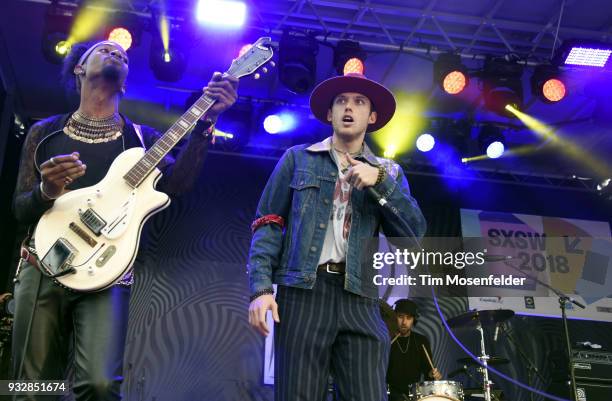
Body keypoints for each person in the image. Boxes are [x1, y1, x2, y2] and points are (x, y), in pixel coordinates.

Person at [10, 40, 238, 400]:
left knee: (100, 385)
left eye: (123, 55)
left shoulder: (141, 138)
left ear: (125, 83)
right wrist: (46, 190)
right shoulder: (44, 132)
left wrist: (206, 122)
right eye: (102, 50)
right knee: (32, 386)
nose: (115, 53)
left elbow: (179, 184)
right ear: (79, 69)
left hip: (108, 269)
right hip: (42, 263)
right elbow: (18, 210)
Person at [247, 72, 427, 401]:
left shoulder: (389, 173)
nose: (349, 107)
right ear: (329, 114)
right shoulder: (298, 159)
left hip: (360, 296)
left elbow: (412, 237)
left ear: (371, 117)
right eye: (341, 101)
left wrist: (381, 183)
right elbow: (267, 223)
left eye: (359, 102)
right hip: (304, 291)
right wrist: (260, 288)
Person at [387, 299, 442, 401]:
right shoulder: (387, 341)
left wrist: (432, 374)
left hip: (413, 396)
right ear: (394, 317)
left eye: (409, 318)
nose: (404, 322)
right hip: (387, 396)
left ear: (414, 320)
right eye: (400, 317)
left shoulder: (421, 341)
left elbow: (428, 373)